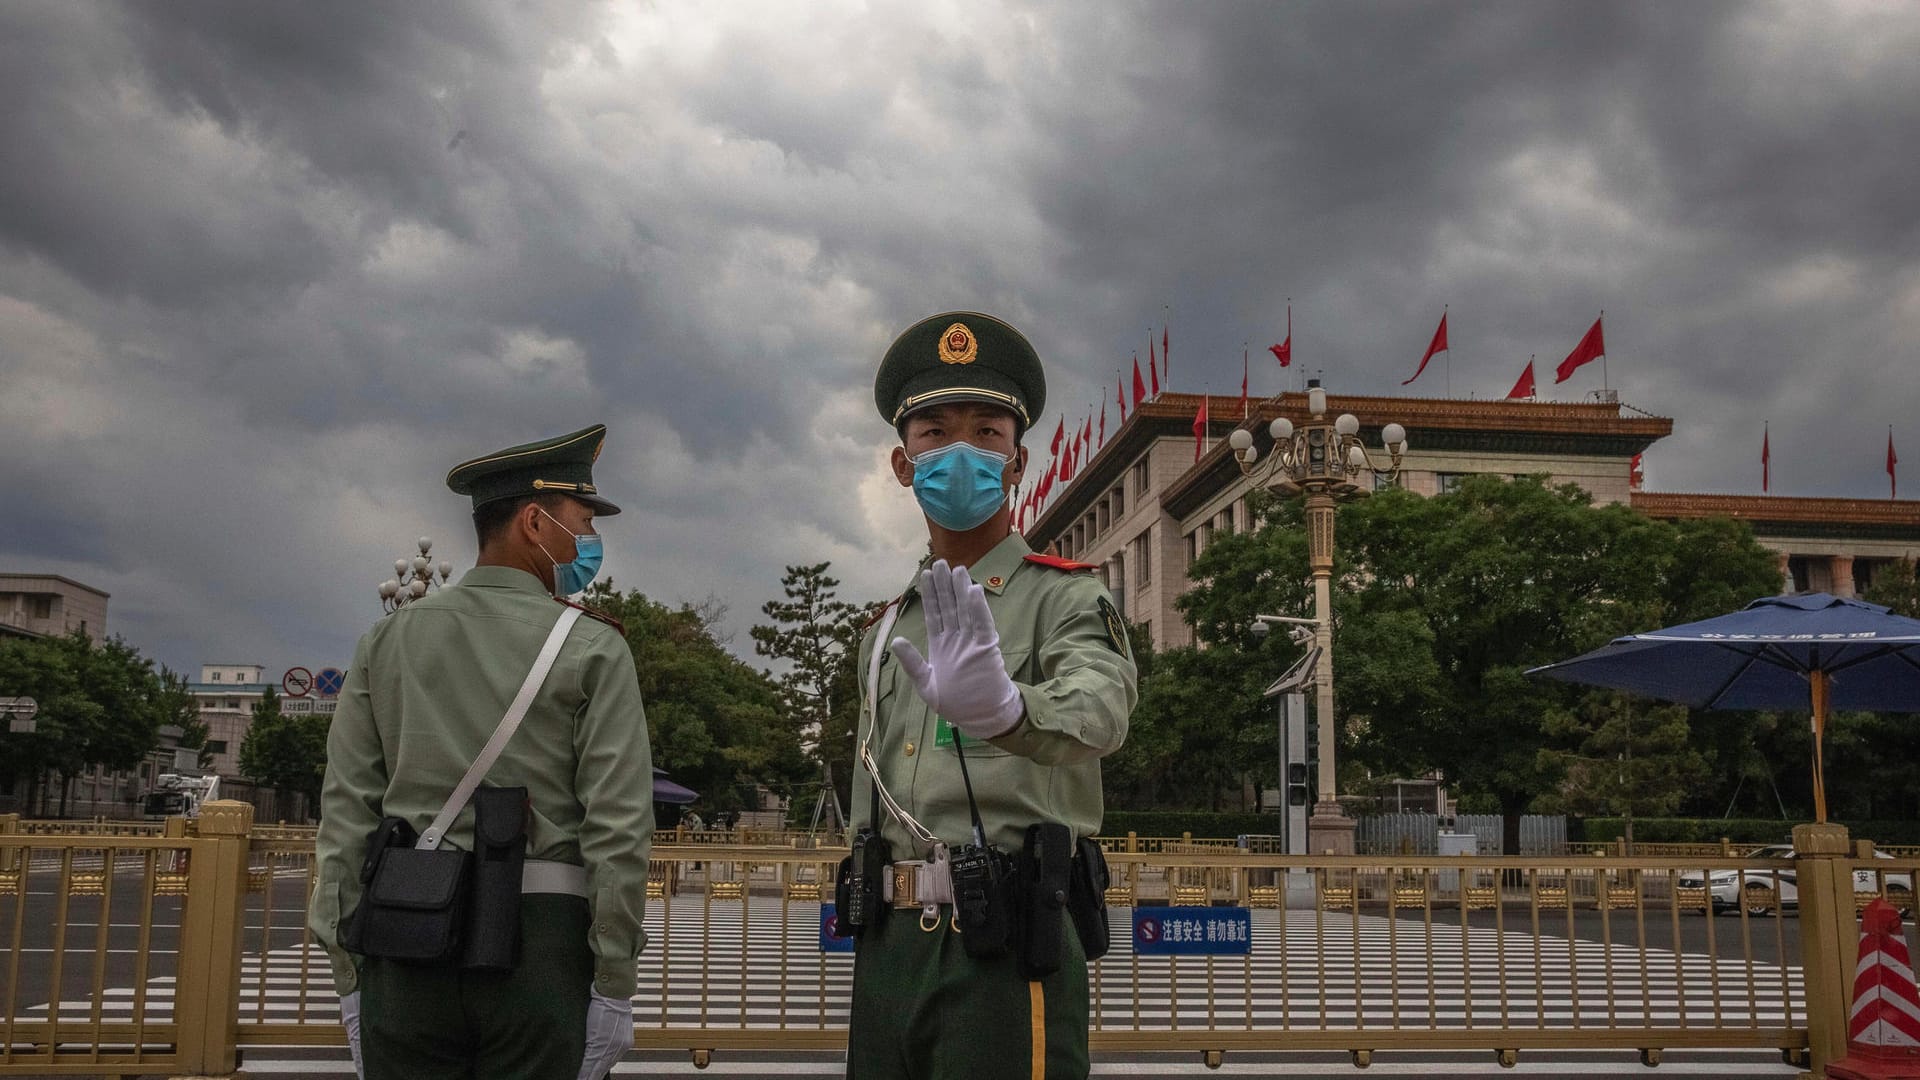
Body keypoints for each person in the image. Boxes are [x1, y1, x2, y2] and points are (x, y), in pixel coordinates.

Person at [310, 423, 654, 1080]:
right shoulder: (592, 648)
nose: (590, 543)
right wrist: (613, 979)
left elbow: (347, 815)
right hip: (541, 944)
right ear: (533, 522)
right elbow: (618, 830)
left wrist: (348, 976)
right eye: (583, 523)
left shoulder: (386, 643)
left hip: (404, 938)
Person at [847, 312, 1138, 1079]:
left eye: (987, 433)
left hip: (1001, 938)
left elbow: (1102, 707)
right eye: (934, 433)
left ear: (1018, 461)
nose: (960, 452)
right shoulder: (887, 629)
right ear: (903, 463)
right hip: (885, 942)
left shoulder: (1062, 600)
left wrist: (1010, 712)